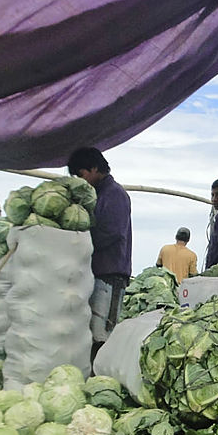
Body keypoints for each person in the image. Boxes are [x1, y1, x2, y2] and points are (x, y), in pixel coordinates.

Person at [67, 147, 132, 360]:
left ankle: (101, 379)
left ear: (95, 169)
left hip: (110, 275)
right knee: (92, 333)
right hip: (98, 273)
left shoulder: (114, 194)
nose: (80, 180)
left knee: (102, 334)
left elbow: (110, 233)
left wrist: (79, 244)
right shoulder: (97, 194)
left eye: (81, 174)